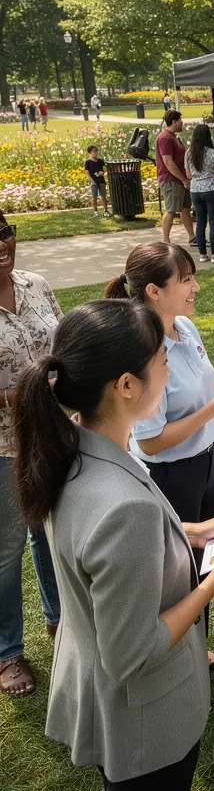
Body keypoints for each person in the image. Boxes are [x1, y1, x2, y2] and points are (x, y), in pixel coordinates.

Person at [12, 298, 214, 791]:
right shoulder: (116, 497)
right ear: (126, 385)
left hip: (104, 700)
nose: (169, 371)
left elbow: (115, 548)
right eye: (161, 361)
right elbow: (138, 650)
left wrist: (193, 530)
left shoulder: (78, 448)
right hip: (143, 718)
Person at [105, 243, 214, 675]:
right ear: (154, 291)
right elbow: (153, 441)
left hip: (203, 465)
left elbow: (203, 382)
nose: (196, 286)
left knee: (202, 562)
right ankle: (175, 660)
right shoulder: (144, 353)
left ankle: (197, 650)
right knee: (175, 574)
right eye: (187, 279)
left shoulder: (184, 329)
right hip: (170, 476)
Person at [0, 212, 62, 697]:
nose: (3, 244)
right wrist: (17, 396)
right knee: (7, 550)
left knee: (52, 534)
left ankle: (61, 624)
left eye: (5, 232)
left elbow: (61, 345)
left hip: (51, 435)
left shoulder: (37, 285)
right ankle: (8, 653)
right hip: (3, 447)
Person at [185, 125, 214, 263]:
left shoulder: (188, 153)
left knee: (200, 222)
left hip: (195, 190)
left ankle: (203, 255)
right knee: (213, 223)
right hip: (212, 188)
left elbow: (188, 175)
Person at [156, 110, 195, 247]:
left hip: (180, 179)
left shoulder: (174, 137)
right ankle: (165, 240)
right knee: (171, 210)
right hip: (171, 180)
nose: (182, 122)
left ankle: (192, 237)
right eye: (180, 120)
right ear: (174, 121)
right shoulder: (165, 138)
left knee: (185, 209)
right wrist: (183, 179)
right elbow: (168, 162)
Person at [85, 144, 111, 218]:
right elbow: (87, 173)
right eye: (93, 151)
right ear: (90, 153)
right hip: (93, 182)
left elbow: (105, 168)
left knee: (103, 196)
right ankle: (95, 211)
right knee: (94, 197)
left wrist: (102, 172)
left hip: (101, 181)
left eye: (96, 151)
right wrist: (92, 181)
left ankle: (106, 211)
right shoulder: (88, 162)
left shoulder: (100, 161)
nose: (95, 153)